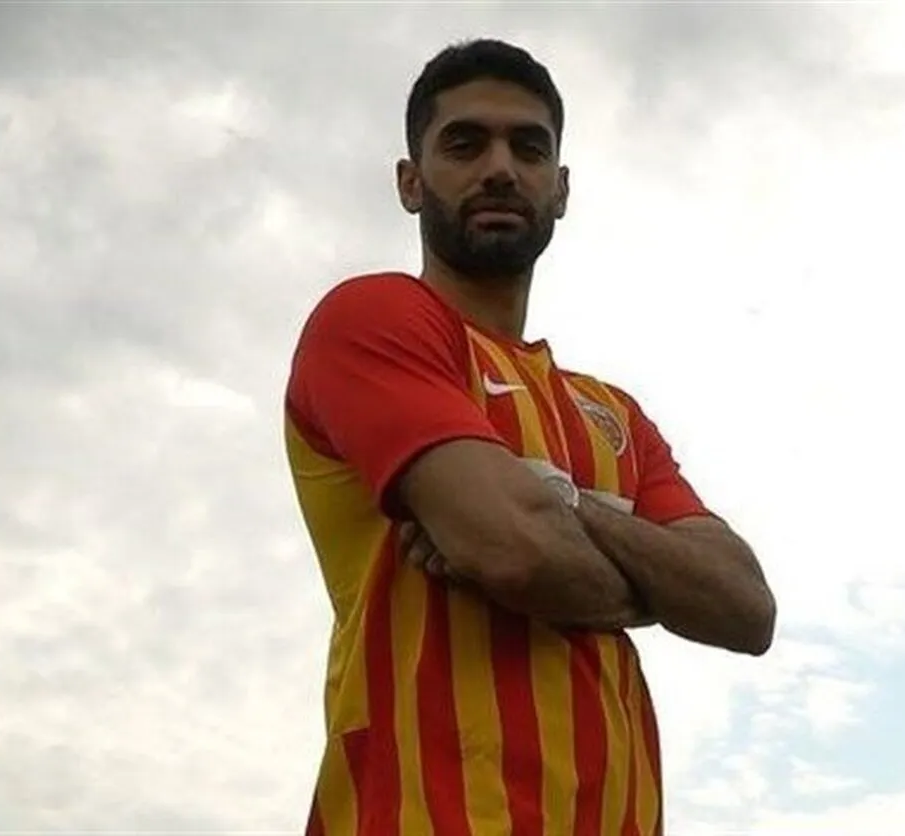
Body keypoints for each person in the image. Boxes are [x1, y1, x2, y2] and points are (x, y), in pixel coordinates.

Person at [283, 38, 777, 836]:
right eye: (464, 144)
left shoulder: (613, 414)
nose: (500, 169)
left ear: (562, 188)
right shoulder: (373, 319)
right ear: (410, 182)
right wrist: (655, 585)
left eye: (529, 147)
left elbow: (745, 607)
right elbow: (515, 550)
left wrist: (559, 502)